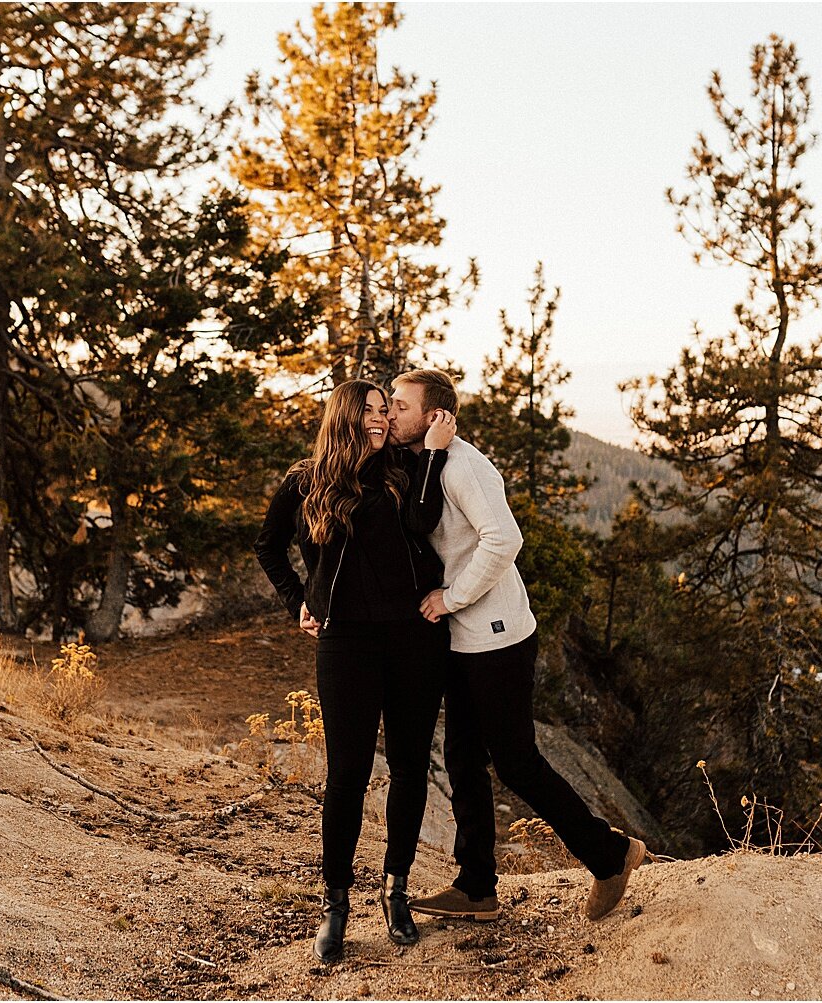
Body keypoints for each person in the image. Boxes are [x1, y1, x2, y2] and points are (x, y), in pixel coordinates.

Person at [386, 368, 648, 923]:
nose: (390, 413)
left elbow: (506, 539)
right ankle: (477, 886)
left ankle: (610, 855)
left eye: (401, 406)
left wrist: (451, 597)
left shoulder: (464, 466)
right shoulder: (423, 463)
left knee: (517, 761)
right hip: (464, 640)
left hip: (496, 636)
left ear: (435, 416)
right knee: (462, 759)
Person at [253, 379, 457, 964]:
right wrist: (299, 599)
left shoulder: (400, 469)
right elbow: (267, 545)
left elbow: (424, 523)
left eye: (383, 410)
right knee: (347, 774)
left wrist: (435, 450)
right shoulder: (306, 479)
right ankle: (335, 904)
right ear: (344, 415)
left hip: (415, 639)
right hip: (346, 644)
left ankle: (396, 890)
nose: (378, 419)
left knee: (411, 765)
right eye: (367, 410)